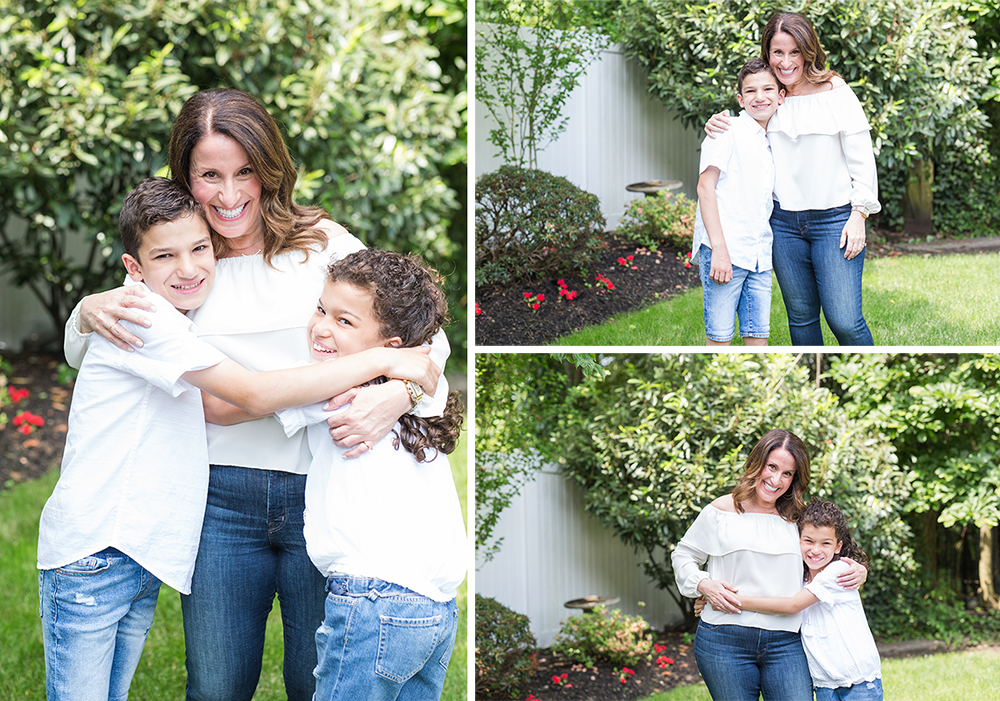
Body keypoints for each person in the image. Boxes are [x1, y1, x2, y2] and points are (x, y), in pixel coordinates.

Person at [63, 89, 450, 701]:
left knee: (313, 682)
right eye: (209, 175)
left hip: (319, 491)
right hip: (217, 498)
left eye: (245, 171)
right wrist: (84, 312)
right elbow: (98, 352)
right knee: (216, 687)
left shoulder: (322, 246)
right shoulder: (183, 259)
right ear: (185, 177)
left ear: (269, 169)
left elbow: (426, 340)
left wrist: (400, 392)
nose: (229, 193)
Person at [275, 249, 466, 701]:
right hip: (436, 608)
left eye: (345, 321)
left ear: (390, 348)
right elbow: (430, 360)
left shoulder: (333, 386)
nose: (321, 326)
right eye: (322, 309)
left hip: (371, 599)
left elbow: (248, 398)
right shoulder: (419, 392)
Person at [706, 12, 881, 346]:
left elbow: (862, 160)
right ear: (767, 54)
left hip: (835, 221)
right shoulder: (770, 96)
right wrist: (714, 123)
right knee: (801, 319)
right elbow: (741, 130)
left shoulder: (835, 92)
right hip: (783, 224)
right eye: (777, 52)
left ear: (808, 50)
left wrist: (859, 215)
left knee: (845, 320)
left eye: (794, 52)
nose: (786, 62)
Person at [671, 429, 868, 701]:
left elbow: (825, 550)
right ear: (757, 464)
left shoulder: (797, 518)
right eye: (771, 467)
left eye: (787, 474)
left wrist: (859, 569)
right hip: (724, 639)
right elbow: (683, 555)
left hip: (786, 641)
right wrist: (705, 586)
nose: (776, 480)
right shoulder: (721, 511)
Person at [716, 499, 883, 700]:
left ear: (838, 546)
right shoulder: (799, 580)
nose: (815, 550)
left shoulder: (838, 571)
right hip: (824, 684)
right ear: (798, 539)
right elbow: (767, 590)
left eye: (826, 543)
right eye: (808, 541)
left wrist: (732, 600)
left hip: (859, 682)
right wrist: (712, 596)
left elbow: (792, 605)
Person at [693, 58, 784, 346]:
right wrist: (720, 250)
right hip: (726, 250)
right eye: (751, 91)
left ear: (781, 96)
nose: (760, 97)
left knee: (758, 338)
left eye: (768, 89)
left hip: (758, 254)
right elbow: (705, 187)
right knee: (719, 340)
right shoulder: (726, 130)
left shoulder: (775, 138)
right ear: (740, 99)